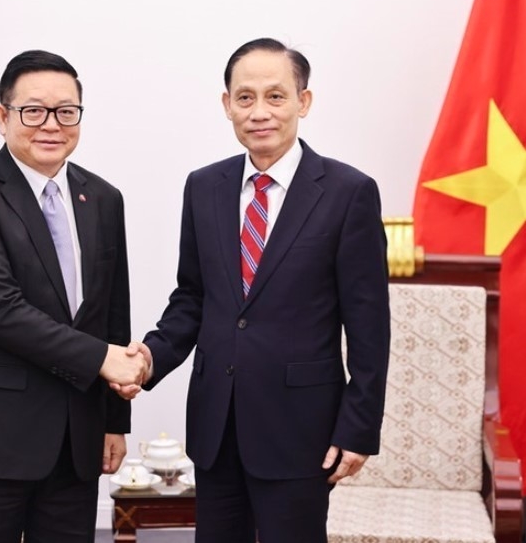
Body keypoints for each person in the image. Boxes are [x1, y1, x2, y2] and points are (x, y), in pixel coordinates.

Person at [123, 38, 391, 542]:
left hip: (301, 429)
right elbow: (193, 298)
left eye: (276, 96)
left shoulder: (348, 192)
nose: (259, 111)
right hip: (216, 423)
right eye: (245, 98)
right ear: (227, 105)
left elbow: (370, 326)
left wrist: (358, 428)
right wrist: (149, 359)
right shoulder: (204, 186)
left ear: (303, 102)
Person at [0, 49, 147, 543]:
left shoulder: (103, 198)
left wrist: (115, 422)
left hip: (77, 443)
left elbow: (113, 313)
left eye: (66, 111)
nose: (51, 124)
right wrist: (103, 360)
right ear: (2, 117)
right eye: (33, 110)